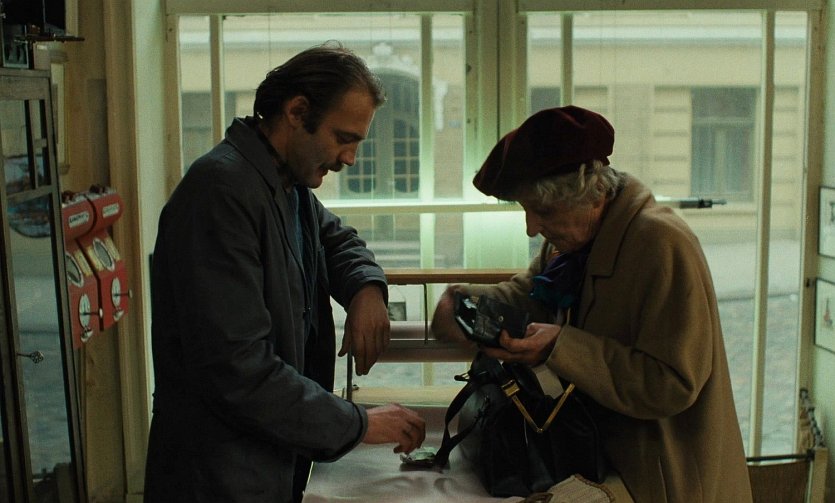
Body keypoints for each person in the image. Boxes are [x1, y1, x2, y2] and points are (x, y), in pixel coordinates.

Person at [144, 42, 426, 503]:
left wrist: (367, 289)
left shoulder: (285, 183)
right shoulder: (221, 192)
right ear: (296, 111)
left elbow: (337, 240)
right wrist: (358, 424)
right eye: (344, 137)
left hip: (264, 458)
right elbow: (239, 370)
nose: (350, 158)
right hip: (217, 474)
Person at [431, 106, 753, 502]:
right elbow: (529, 295)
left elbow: (671, 383)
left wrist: (560, 347)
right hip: (596, 455)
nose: (531, 228)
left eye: (543, 211)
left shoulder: (662, 245)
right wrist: (463, 301)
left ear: (593, 194)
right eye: (526, 209)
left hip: (659, 476)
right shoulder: (571, 242)